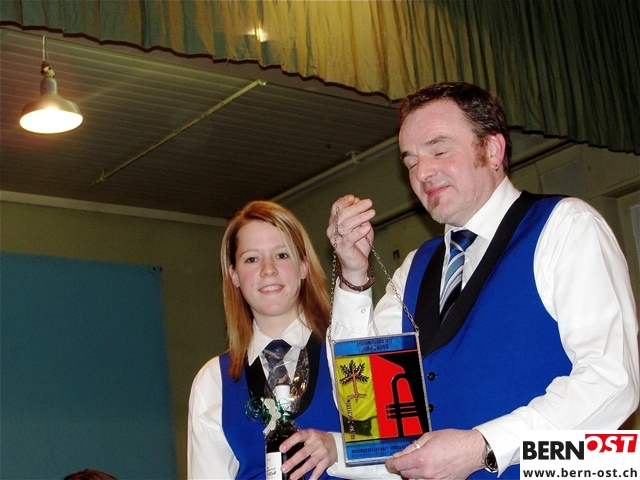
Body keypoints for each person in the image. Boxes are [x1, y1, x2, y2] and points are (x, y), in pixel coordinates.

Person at [326, 82, 639, 479]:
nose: (422, 173)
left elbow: (612, 381)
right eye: (411, 162)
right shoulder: (413, 268)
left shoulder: (565, 226)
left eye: (439, 150)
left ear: (492, 149)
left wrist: (483, 446)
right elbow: (365, 413)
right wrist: (354, 276)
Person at [188, 200, 345, 480]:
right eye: (251, 259)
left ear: (304, 266)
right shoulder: (213, 381)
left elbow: (393, 457)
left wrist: (338, 448)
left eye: (282, 255)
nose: (268, 269)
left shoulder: (346, 354)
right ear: (234, 275)